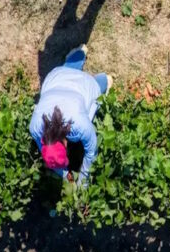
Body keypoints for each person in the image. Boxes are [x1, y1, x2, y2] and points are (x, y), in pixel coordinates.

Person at [29, 45, 112, 187]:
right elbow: (53, 160)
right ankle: (78, 55)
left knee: (101, 85)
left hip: (85, 86)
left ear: (64, 145)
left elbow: (91, 152)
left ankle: (103, 79)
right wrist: (64, 174)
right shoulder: (35, 126)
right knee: (67, 72)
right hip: (56, 77)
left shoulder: (79, 125)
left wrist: (82, 184)